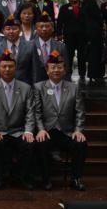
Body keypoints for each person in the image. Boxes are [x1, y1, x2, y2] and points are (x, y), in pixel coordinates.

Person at [0, 50, 36, 190]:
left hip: (18, 131)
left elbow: (30, 112)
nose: (7, 69)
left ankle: (21, 177)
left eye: (10, 66)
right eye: (4, 66)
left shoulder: (25, 88)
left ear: (15, 68)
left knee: (29, 144)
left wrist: (28, 131)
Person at [34, 51, 87, 191]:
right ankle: (46, 180)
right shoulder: (39, 87)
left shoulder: (73, 88)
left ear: (64, 70)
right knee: (41, 144)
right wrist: (41, 129)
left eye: (59, 67)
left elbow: (80, 112)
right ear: (47, 70)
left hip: (66, 132)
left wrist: (78, 130)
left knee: (80, 144)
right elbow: (37, 112)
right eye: (53, 67)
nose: (56, 70)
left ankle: (76, 179)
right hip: (47, 131)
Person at [0, 15, 35, 84]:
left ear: (20, 30)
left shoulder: (30, 46)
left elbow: (34, 70)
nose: (11, 31)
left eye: (14, 29)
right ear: (3, 31)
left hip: (25, 86)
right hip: (3, 86)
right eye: (8, 29)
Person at [32, 11, 70, 83]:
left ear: (52, 29)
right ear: (36, 29)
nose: (44, 29)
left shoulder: (61, 47)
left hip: (55, 83)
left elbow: (66, 69)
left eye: (47, 26)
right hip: (35, 83)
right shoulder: (30, 45)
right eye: (41, 26)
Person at [56, 0, 86, 80]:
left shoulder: (84, 6)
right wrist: (59, 33)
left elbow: (88, 21)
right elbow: (60, 22)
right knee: (69, 55)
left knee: (82, 55)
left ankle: (82, 73)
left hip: (82, 35)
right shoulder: (64, 7)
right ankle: (68, 73)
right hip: (69, 35)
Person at [82, 0, 105, 83]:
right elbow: (97, 16)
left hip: (89, 31)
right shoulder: (92, 3)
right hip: (95, 31)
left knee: (93, 53)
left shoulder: (85, 2)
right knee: (96, 52)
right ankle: (96, 73)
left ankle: (92, 73)